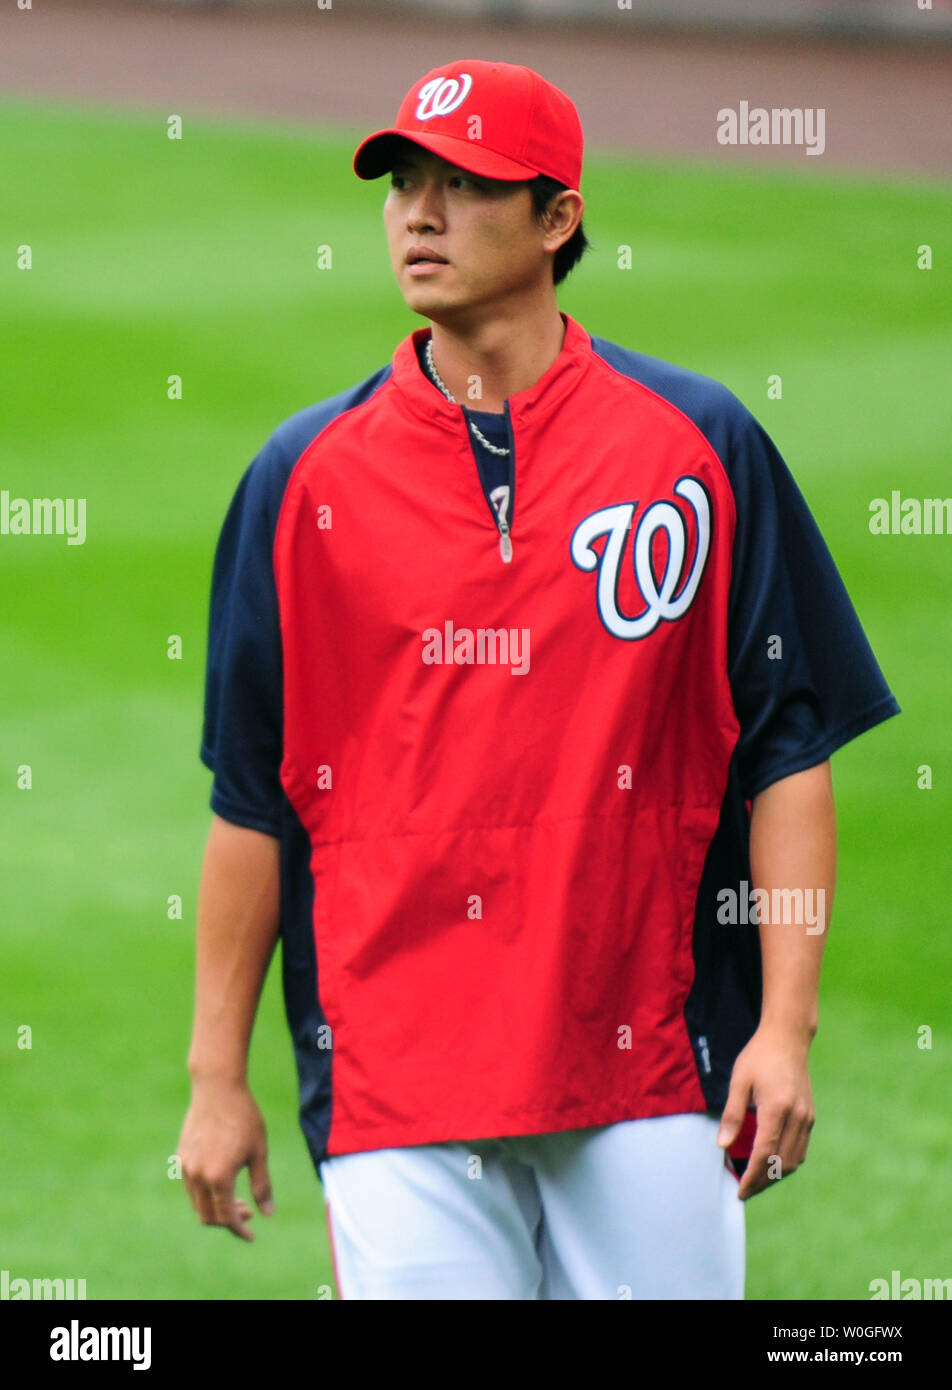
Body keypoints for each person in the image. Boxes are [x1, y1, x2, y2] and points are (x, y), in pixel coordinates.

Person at [178, 59, 900, 1300]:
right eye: (406, 182)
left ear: (558, 218)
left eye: (465, 185)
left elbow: (785, 747)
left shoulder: (697, 445)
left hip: (650, 1068)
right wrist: (214, 1077)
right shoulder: (301, 481)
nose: (420, 213)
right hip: (396, 1072)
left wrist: (785, 1029)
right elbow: (254, 797)